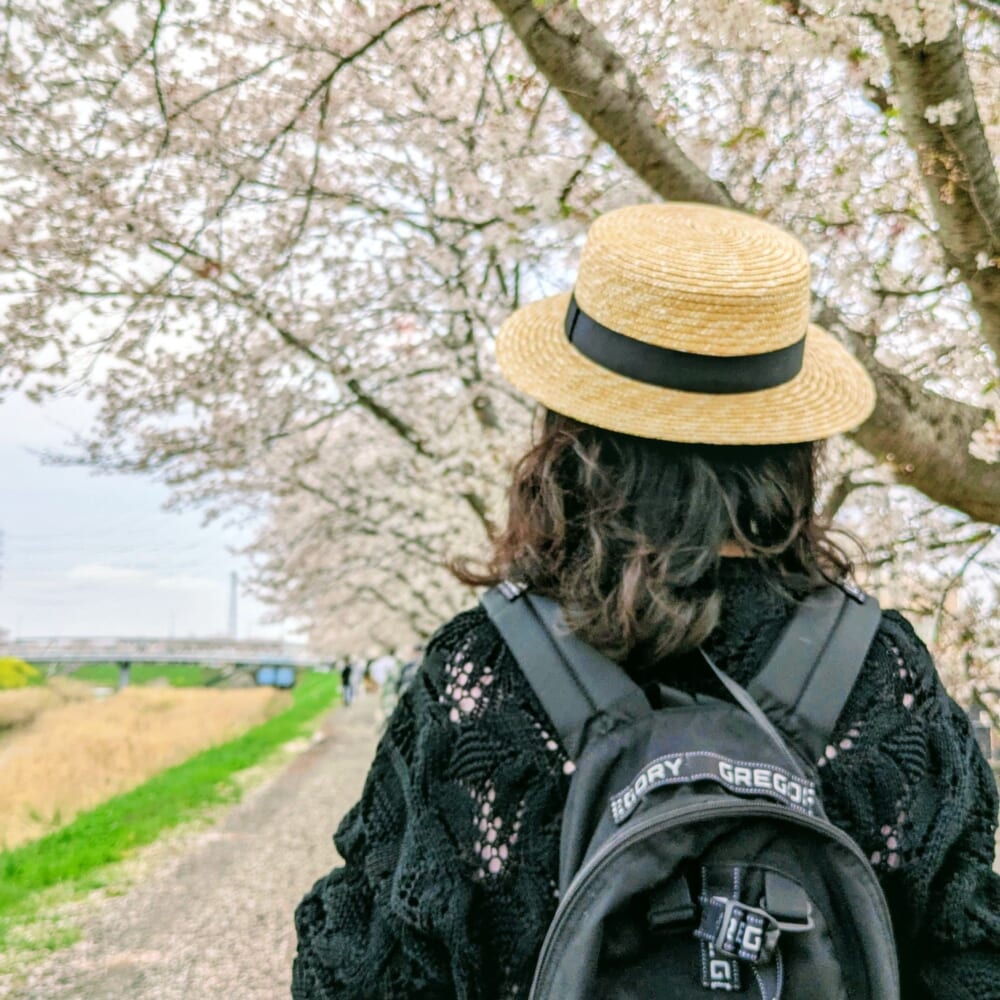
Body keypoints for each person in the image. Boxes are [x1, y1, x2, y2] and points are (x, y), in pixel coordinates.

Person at [292, 204, 1000, 999]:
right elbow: (965, 960)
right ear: (789, 444)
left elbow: (363, 975)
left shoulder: (482, 673)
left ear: (572, 431)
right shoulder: (880, 669)